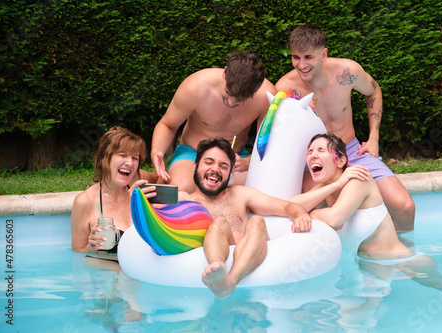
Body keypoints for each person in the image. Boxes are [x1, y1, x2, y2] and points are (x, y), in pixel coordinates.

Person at [290, 133, 442, 323]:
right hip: (372, 266)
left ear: (340, 160)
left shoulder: (359, 178)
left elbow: (334, 218)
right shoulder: (329, 188)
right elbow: (289, 205)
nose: (313, 155)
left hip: (405, 262)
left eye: (321, 150)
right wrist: (330, 189)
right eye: (310, 151)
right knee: (358, 318)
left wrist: (308, 213)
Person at [276, 23, 415, 232]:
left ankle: (399, 252)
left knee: (405, 207)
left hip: (352, 151)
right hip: (314, 160)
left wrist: (374, 137)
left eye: (308, 57)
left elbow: (374, 91)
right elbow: (279, 133)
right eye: (296, 57)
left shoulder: (346, 72)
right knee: (309, 212)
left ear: (323, 54)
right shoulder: (286, 88)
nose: (301, 64)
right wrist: (299, 114)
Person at [178, 138, 312, 298]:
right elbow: (153, 208)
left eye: (223, 166)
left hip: (253, 263)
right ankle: (218, 268)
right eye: (209, 162)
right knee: (219, 222)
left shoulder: (241, 195)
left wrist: (301, 214)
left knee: (257, 221)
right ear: (195, 166)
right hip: (215, 261)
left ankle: (230, 280)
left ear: (230, 173)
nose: (215, 169)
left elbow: (286, 206)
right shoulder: (185, 200)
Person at [151, 52, 278, 193]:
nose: (231, 102)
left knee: (256, 192)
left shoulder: (266, 97)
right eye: (228, 93)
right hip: (193, 153)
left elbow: (268, 142)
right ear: (224, 73)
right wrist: (157, 150)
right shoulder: (196, 86)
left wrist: (247, 162)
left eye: (241, 99)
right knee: (181, 190)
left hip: (234, 159)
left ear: (256, 89)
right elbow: (168, 125)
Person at [71, 126, 157, 258]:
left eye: (135, 158)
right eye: (122, 155)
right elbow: (77, 252)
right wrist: (90, 249)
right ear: (104, 158)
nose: (130, 163)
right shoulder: (85, 201)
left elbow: (160, 177)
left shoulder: (138, 187)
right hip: (109, 273)